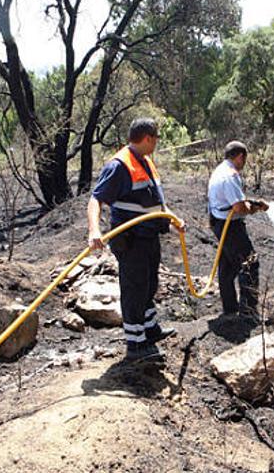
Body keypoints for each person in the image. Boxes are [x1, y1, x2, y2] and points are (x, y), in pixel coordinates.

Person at [87, 117, 184, 362]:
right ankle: (136, 344)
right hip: (131, 240)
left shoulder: (146, 161)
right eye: (156, 138)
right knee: (134, 288)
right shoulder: (119, 166)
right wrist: (94, 230)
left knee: (149, 284)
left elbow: (155, 200)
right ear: (148, 138)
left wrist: (173, 218)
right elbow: (96, 199)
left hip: (149, 236)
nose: (157, 143)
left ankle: (150, 330)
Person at [207, 141, 269, 317]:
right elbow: (239, 207)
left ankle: (230, 309)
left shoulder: (220, 170)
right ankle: (248, 312)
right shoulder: (230, 175)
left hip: (219, 223)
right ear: (240, 156)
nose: (244, 164)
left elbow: (233, 200)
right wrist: (254, 208)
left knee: (228, 266)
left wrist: (252, 202)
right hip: (230, 227)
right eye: (245, 159)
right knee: (250, 264)